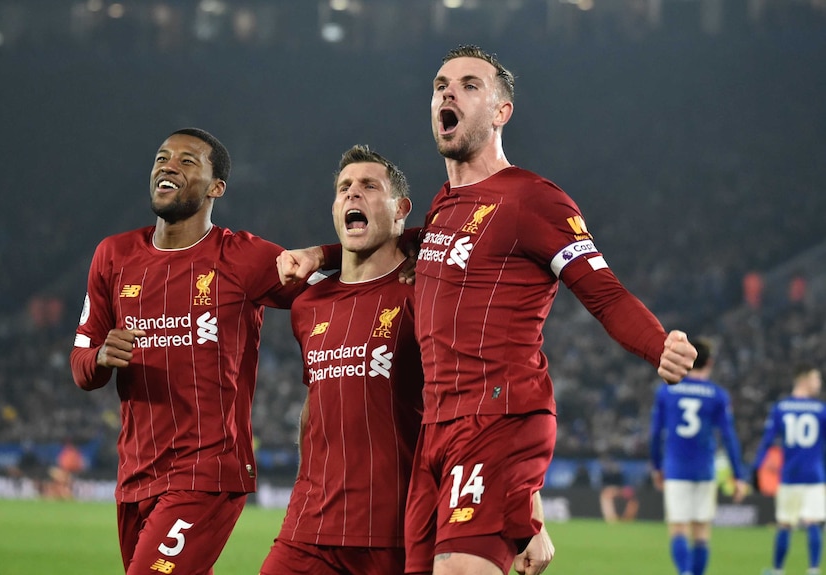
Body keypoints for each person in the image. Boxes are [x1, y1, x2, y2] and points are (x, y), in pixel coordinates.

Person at [276, 45, 698, 575]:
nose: (447, 92)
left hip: (498, 416)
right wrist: (323, 254)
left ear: (502, 113)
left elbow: (604, 290)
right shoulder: (443, 207)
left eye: (469, 85)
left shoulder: (531, 199)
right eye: (440, 85)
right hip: (436, 429)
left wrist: (657, 343)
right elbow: (391, 243)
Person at [69, 128, 303, 575]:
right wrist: (100, 357)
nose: (168, 165)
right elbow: (81, 367)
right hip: (135, 476)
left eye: (188, 160)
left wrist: (401, 254)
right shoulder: (113, 256)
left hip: (207, 472)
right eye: (162, 157)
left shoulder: (242, 257)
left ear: (217, 188)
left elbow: (330, 289)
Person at [259, 145, 424, 575]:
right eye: (344, 188)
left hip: (394, 532)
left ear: (400, 209)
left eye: (370, 186)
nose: (354, 194)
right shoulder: (308, 304)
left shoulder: (424, 293)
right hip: (308, 528)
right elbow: (315, 405)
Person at [649, 337, 747, 575]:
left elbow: (655, 433)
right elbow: (729, 436)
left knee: (679, 529)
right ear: (710, 362)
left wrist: (656, 466)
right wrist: (738, 475)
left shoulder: (667, 391)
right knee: (701, 532)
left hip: (675, 469)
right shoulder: (718, 395)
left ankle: (684, 572)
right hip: (705, 469)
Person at [753, 364, 826, 575]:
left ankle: (777, 570)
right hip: (814, 475)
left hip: (790, 474)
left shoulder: (781, 407)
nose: (819, 383)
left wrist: (756, 468)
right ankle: (813, 569)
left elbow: (767, 441)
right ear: (803, 379)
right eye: (816, 378)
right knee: (813, 521)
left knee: (785, 523)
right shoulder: (821, 409)